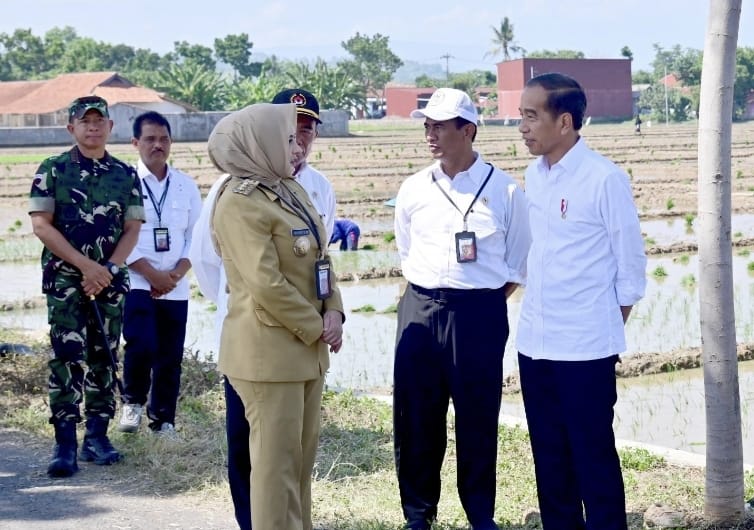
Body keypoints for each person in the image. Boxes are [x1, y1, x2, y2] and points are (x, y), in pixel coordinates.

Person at [189, 88, 336, 530]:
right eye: (289, 139)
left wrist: (336, 313)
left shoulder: (291, 189)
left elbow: (322, 259)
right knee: (272, 476)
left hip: (306, 352)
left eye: (301, 137)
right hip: (266, 355)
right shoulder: (236, 198)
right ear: (261, 141)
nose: (298, 147)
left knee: (297, 469)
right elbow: (262, 282)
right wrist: (316, 324)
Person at [392, 87, 531, 530]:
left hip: (479, 316)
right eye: (426, 125)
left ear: (468, 130)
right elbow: (406, 250)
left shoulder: (506, 190)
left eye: (439, 126)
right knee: (416, 418)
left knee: (477, 419)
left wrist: (479, 301)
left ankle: (479, 514)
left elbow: (517, 262)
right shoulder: (414, 187)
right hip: (420, 308)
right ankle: (418, 514)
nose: (430, 134)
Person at [516, 73, 647, 529]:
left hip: (585, 350)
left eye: (532, 116)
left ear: (565, 121)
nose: (523, 127)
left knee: (593, 461)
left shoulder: (604, 179)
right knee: (550, 462)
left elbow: (630, 270)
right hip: (535, 345)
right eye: (521, 116)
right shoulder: (534, 175)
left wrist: (601, 328)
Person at [28, 95, 145, 478]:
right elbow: (42, 224)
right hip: (66, 282)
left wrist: (108, 268)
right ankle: (64, 443)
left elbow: (132, 229)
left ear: (110, 127)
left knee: (105, 357)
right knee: (66, 356)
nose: (92, 127)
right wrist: (86, 267)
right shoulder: (53, 170)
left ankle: (97, 436)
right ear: (71, 128)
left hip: (109, 283)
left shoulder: (125, 175)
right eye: (85, 121)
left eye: (99, 121)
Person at [117, 111, 202, 436]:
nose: (158, 145)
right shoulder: (126, 184)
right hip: (138, 281)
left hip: (176, 285)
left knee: (170, 354)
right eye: (150, 139)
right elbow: (119, 234)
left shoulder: (185, 186)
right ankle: (133, 403)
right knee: (140, 344)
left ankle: (163, 419)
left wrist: (177, 273)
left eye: (163, 139)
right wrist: (151, 274)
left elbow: (197, 235)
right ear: (135, 142)